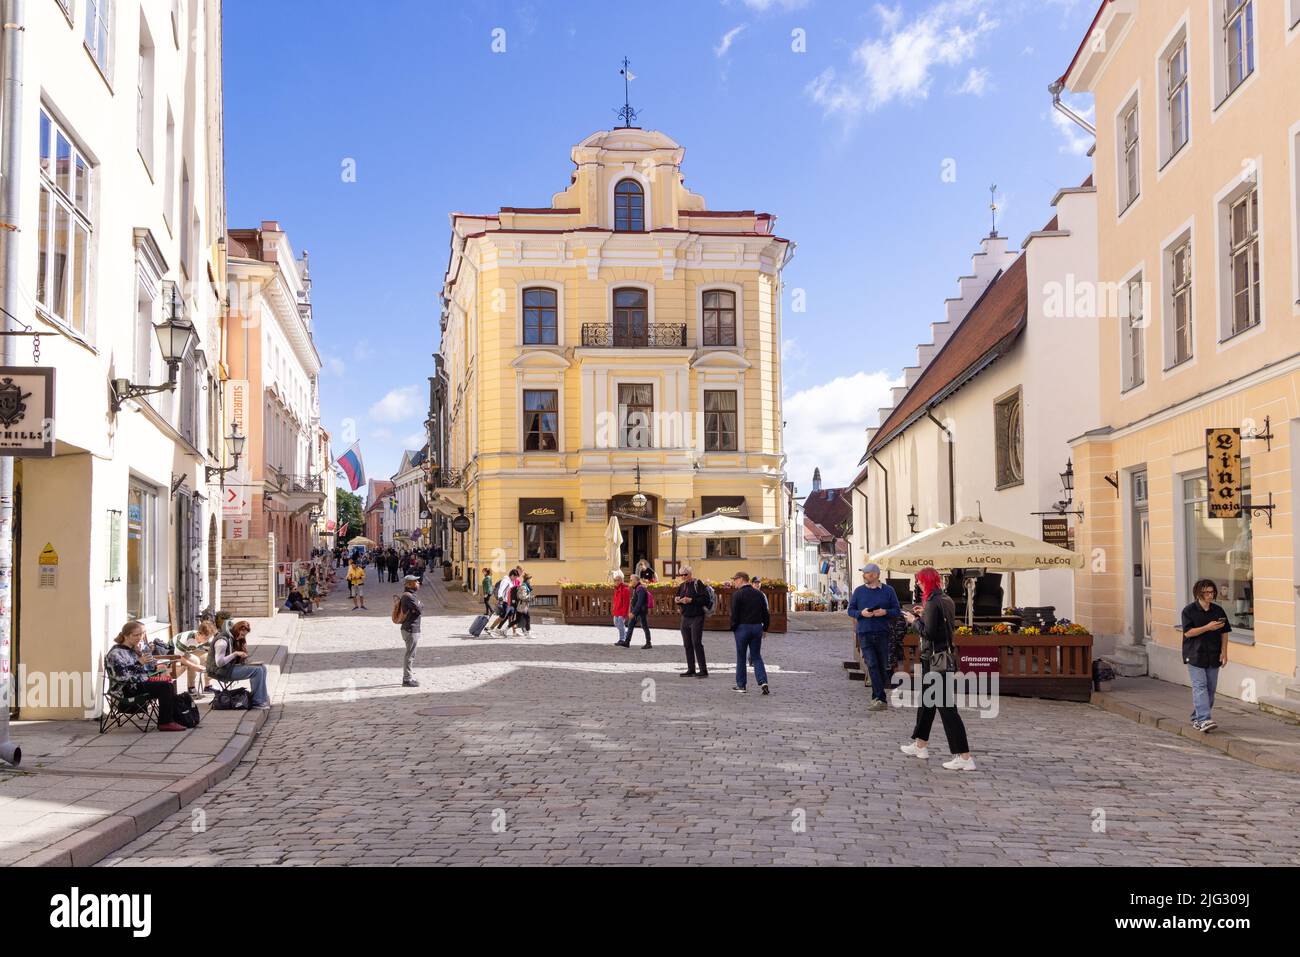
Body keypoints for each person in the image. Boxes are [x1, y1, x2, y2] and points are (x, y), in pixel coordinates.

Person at [900, 566, 974, 770]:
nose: (918, 584)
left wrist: (914, 620)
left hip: (935, 659)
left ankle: (964, 756)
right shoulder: (946, 599)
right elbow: (943, 626)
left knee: (946, 708)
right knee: (927, 703)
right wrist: (924, 614)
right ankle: (920, 744)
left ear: (927, 581)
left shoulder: (933, 601)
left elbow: (929, 633)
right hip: (939, 657)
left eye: (920, 580)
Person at [106, 620, 189, 731]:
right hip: (126, 689)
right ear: (126, 636)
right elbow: (121, 677)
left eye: (142, 634)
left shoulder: (133, 649)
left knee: (168, 681)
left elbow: (146, 669)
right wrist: (139, 662)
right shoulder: (116, 653)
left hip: (139, 683)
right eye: (137, 635)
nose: (140, 637)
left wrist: (151, 663)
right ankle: (166, 722)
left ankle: (175, 717)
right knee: (164, 686)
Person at [847, 562, 902, 712]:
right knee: (871, 664)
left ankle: (876, 697)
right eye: (864, 574)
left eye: (867, 574)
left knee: (882, 666)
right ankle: (880, 698)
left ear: (876, 575)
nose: (865, 576)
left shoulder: (888, 591)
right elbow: (850, 610)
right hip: (865, 632)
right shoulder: (858, 591)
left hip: (882, 632)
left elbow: (897, 610)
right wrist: (861, 614)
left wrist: (885, 612)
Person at [1181, 579, 1231, 732]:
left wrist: (1224, 651)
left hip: (1213, 654)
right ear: (1199, 593)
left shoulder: (1218, 610)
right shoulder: (1189, 611)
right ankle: (1204, 719)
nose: (1210, 595)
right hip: (1195, 654)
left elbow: (1224, 632)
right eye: (1207, 592)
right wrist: (1207, 627)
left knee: (1210, 689)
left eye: (1212, 592)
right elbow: (1188, 632)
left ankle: (1198, 718)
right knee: (1200, 686)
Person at [209, 620, 271, 710]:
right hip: (220, 671)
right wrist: (235, 654)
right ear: (236, 630)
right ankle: (257, 701)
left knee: (262, 668)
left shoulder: (233, 638)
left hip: (229, 668)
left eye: (244, 635)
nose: (242, 637)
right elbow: (219, 663)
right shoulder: (222, 641)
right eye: (241, 635)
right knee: (257, 671)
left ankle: (262, 698)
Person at [729, 571, 770, 694]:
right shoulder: (759, 594)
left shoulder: (737, 595)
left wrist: (733, 627)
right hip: (757, 627)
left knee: (741, 657)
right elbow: (766, 613)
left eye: (735, 579)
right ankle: (763, 681)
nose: (734, 582)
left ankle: (741, 685)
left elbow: (734, 615)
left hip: (742, 628)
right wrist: (765, 628)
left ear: (741, 579)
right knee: (756, 656)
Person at [674, 565, 710, 678]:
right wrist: (677, 600)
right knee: (687, 644)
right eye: (681, 575)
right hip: (685, 617)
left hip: (697, 616)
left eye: (686, 574)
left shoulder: (697, 584)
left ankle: (703, 670)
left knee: (696, 642)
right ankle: (691, 669)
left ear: (690, 574)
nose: (683, 577)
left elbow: (705, 599)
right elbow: (678, 598)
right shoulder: (682, 586)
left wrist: (691, 600)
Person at [172, 621, 217, 698]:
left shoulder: (205, 638)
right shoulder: (186, 639)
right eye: (206, 638)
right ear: (199, 634)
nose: (208, 640)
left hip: (189, 651)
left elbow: (213, 649)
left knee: (208, 657)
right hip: (174, 653)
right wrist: (194, 666)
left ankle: (207, 686)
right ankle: (191, 687)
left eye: (209, 638)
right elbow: (178, 657)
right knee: (195, 660)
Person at [396, 574, 423, 687]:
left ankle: (408, 677)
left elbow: (416, 609)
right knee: (410, 655)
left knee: (411, 654)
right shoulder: (408, 596)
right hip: (410, 629)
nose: (418, 583)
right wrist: (420, 605)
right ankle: (407, 679)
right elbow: (418, 609)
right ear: (410, 584)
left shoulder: (411, 595)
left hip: (411, 628)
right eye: (416, 582)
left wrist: (418, 606)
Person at [625, 574, 653, 649]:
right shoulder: (636, 588)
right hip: (637, 611)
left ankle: (648, 643)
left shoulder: (640, 588)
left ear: (637, 580)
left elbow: (639, 602)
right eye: (630, 579)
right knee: (630, 625)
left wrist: (633, 612)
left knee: (644, 626)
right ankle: (627, 642)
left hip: (641, 611)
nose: (630, 581)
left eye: (632, 580)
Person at [611, 571, 631, 646]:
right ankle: (626, 632)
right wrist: (614, 609)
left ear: (622, 580)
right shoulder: (616, 589)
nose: (616, 581)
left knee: (620, 623)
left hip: (622, 611)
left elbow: (626, 603)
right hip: (616, 610)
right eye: (615, 580)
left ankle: (622, 639)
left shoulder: (625, 589)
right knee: (616, 624)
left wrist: (624, 613)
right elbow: (615, 601)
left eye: (618, 580)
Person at [515, 573, 534, 637]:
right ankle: (527, 632)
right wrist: (530, 598)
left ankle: (526, 631)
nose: (531, 580)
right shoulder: (524, 586)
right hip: (522, 605)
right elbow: (522, 597)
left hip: (524, 605)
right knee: (527, 618)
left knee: (520, 619)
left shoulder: (526, 585)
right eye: (531, 579)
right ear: (528, 579)